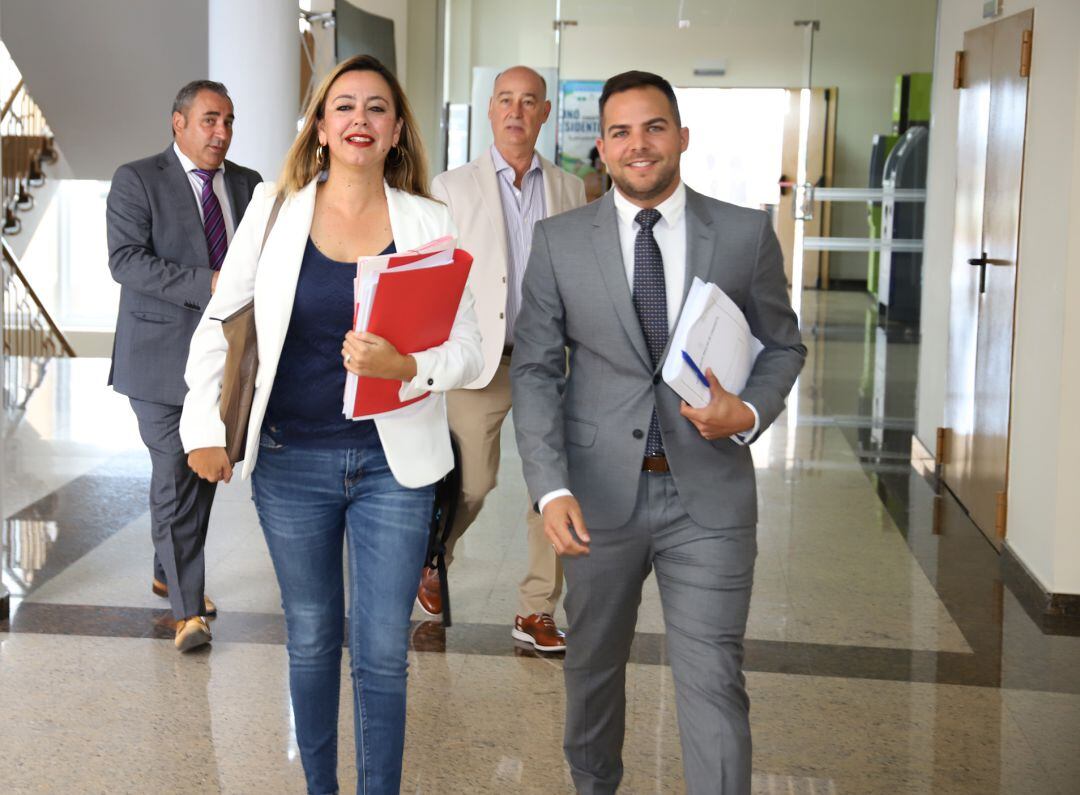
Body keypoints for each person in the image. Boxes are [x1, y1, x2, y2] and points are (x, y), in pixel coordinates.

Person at [179, 55, 481, 795]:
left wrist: (406, 365)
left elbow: (469, 350)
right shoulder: (276, 211)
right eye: (342, 106)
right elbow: (224, 322)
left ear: (397, 129)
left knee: (380, 649)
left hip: (394, 465)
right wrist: (203, 429)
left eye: (376, 108)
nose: (359, 120)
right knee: (312, 640)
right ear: (320, 127)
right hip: (292, 460)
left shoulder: (428, 222)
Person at [510, 71, 806, 793]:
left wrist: (751, 412)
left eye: (654, 127)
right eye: (620, 132)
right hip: (598, 500)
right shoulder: (558, 242)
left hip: (709, 498)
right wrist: (549, 488)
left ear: (681, 138)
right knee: (592, 670)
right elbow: (536, 371)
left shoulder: (742, 233)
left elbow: (783, 345)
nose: (638, 145)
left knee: (712, 677)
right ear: (601, 149)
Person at [426, 66, 585, 652]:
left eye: (529, 102)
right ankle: (432, 557)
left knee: (553, 486)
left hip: (548, 361)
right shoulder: (450, 187)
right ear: (490, 111)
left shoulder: (570, 189)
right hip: (481, 362)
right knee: (472, 481)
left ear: (545, 113)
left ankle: (536, 609)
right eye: (505, 101)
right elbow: (436, 276)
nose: (516, 111)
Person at [106, 79, 262, 652]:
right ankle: (187, 610)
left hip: (224, 361)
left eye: (228, 121)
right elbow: (126, 262)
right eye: (209, 120)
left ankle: (164, 567)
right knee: (177, 468)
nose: (221, 132)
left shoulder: (248, 185)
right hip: (157, 359)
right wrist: (210, 283)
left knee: (202, 471)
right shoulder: (137, 180)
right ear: (178, 122)